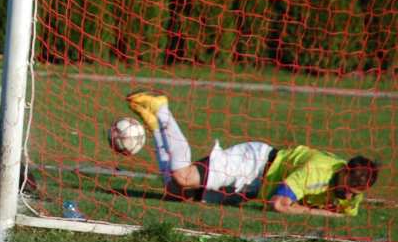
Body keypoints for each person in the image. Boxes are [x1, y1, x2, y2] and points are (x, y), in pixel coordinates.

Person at [127, 89, 379, 217]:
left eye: (353, 194)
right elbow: (279, 205)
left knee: (175, 191)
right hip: (254, 164)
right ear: (344, 169)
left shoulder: (352, 193)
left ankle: (156, 128)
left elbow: (348, 213)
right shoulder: (316, 169)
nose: (346, 195)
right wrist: (323, 214)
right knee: (183, 177)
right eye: (347, 188)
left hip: (254, 189)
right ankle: (161, 109)